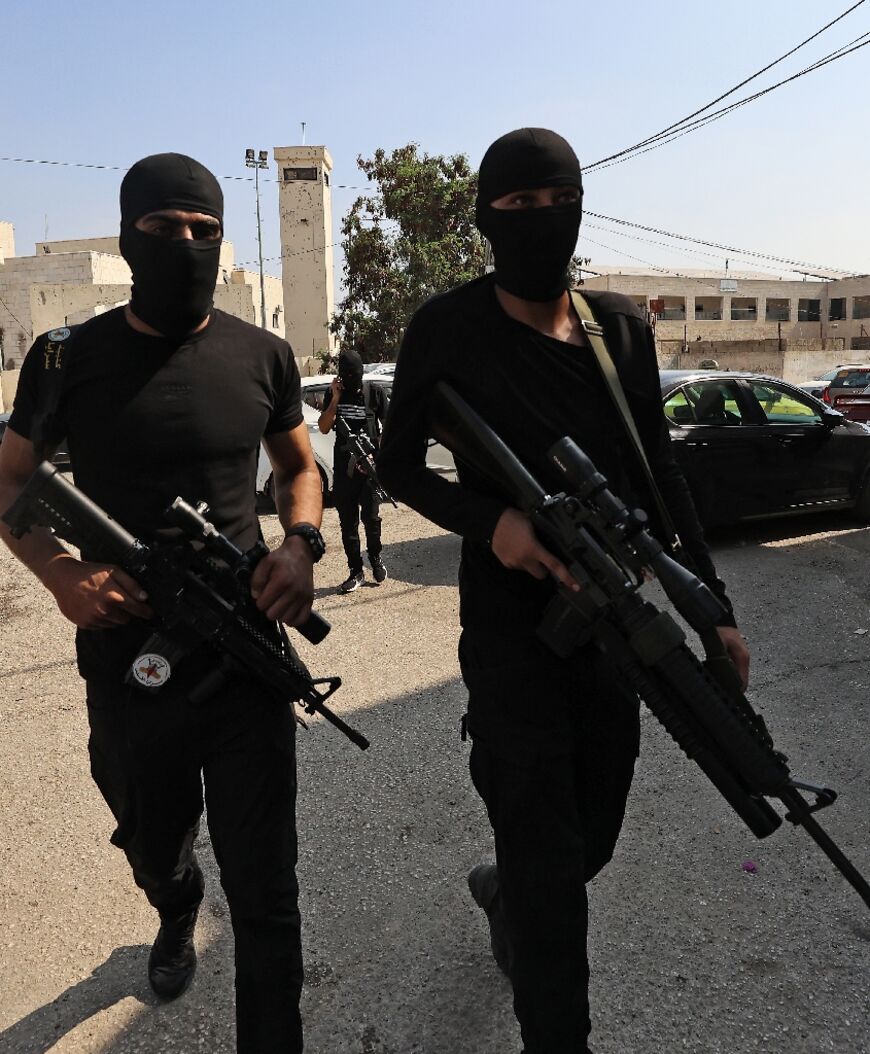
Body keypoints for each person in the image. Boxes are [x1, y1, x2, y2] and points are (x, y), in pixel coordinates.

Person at [377, 128, 750, 1054]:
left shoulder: (616, 325)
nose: (541, 222)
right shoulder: (447, 327)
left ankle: (507, 885)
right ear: (484, 218)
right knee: (548, 860)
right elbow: (398, 468)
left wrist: (713, 605)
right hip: (511, 627)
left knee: (591, 838)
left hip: (611, 620)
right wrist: (491, 523)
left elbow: (659, 471)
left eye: (557, 202)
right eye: (517, 207)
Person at [0, 153, 326, 1054]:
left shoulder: (262, 353)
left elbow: (300, 469)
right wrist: (61, 575)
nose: (184, 242)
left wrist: (300, 544)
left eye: (202, 229)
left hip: (245, 644)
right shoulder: (70, 357)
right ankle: (175, 902)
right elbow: (11, 483)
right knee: (149, 837)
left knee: (267, 890)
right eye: (163, 227)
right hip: (128, 653)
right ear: (125, 235)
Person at [318, 348, 389, 593]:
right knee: (348, 523)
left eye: (354, 374)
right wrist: (335, 399)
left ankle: (376, 558)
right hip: (344, 471)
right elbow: (325, 427)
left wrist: (373, 454)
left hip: (367, 469)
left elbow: (388, 429)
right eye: (347, 375)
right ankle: (355, 570)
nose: (351, 379)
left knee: (371, 519)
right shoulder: (334, 395)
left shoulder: (374, 394)